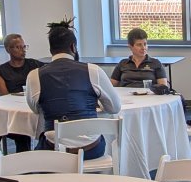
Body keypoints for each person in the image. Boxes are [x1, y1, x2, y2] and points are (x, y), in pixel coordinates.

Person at [25, 18, 121, 156]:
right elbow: (114, 108)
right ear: (73, 47)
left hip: (54, 150)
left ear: (51, 50)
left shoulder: (34, 75)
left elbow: (35, 109)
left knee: (40, 143)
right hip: (90, 149)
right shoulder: (93, 70)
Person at [0, 33, 43, 153]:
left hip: (33, 110)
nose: (23, 50)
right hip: (13, 116)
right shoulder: (0, 72)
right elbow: (5, 98)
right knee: (22, 131)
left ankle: (43, 156)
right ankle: (23, 160)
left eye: (24, 47)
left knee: (48, 123)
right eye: (18, 47)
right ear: (8, 49)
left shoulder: (34, 65)